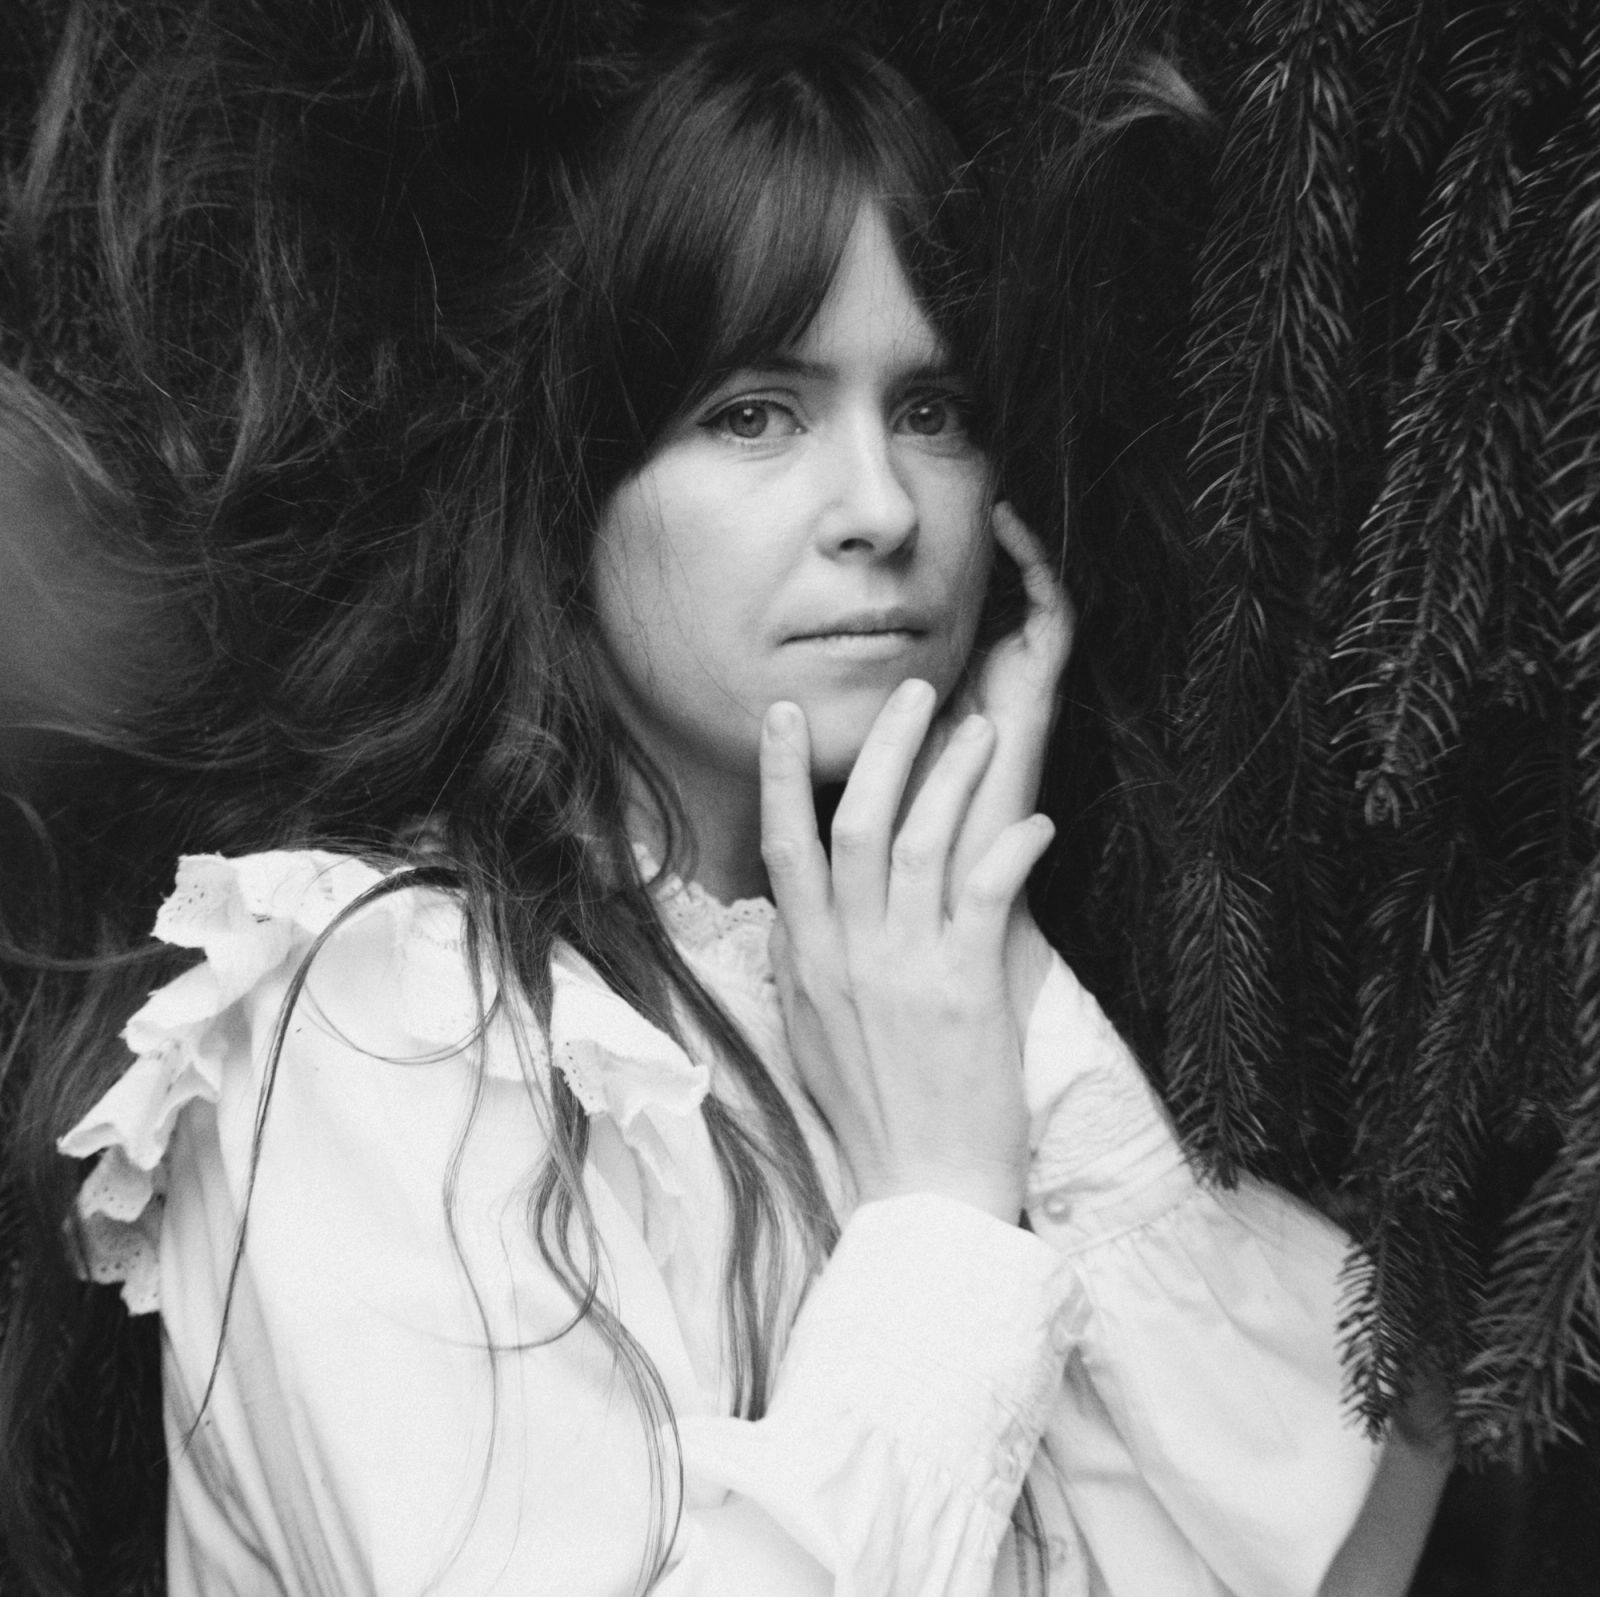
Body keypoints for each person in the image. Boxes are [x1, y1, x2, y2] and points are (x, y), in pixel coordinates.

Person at [44, 15, 1447, 1596]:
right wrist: (941, 1211)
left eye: (932, 408)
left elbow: (1331, 1528)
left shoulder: (904, 997)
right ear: (571, 473)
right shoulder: (380, 1014)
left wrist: (978, 948)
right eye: (755, 412)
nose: (883, 509)